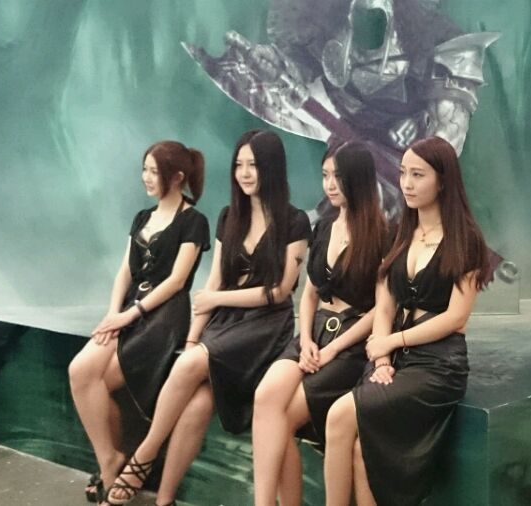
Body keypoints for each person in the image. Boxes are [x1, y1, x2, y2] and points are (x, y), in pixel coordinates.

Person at [105, 130, 311, 506]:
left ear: (272, 168)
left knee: (190, 366)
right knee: (197, 404)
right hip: (224, 323)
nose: (244, 173)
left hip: (265, 328)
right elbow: (213, 280)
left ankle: (143, 457)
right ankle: (164, 499)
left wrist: (216, 301)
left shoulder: (295, 221)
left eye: (253, 165)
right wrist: (191, 338)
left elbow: (280, 291)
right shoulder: (229, 215)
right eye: (239, 165)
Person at [323, 136, 490, 506]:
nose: (407, 184)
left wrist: (391, 343)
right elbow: (384, 307)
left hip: (438, 365)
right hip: (393, 359)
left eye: (418, 175)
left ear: (443, 181)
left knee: (339, 415)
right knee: (361, 450)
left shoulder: (466, 240)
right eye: (403, 173)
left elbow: (456, 318)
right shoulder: (401, 232)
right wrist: (381, 358)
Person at [68, 141, 208, 503]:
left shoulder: (194, 221)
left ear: (177, 177)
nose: (146, 177)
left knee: (102, 380)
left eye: (154, 171)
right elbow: (124, 272)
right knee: (79, 371)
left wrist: (130, 314)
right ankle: (110, 460)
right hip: (129, 311)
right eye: (144, 169)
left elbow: (176, 281)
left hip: (163, 318)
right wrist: (112, 313)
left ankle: (114, 467)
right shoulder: (143, 217)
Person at [252, 141, 390, 506]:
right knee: (265, 398)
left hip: (350, 342)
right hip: (312, 335)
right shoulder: (325, 226)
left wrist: (331, 350)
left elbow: (380, 310)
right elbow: (309, 293)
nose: (329, 184)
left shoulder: (382, 234)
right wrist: (308, 340)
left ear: (358, 179)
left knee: (284, 418)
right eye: (325, 175)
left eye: (338, 177)